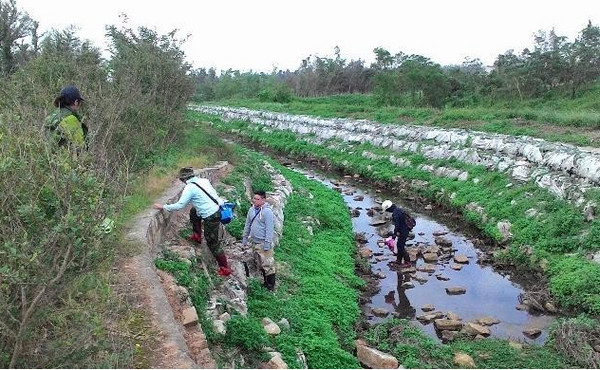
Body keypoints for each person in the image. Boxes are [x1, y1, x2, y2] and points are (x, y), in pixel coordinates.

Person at [153, 167, 232, 276]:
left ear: (183, 179)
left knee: (212, 242)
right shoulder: (204, 181)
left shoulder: (190, 188)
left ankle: (225, 268)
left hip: (211, 215)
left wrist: (163, 207)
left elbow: (180, 205)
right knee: (194, 211)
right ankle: (197, 236)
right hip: (216, 207)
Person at [242, 190, 276, 290]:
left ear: (263, 200)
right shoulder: (251, 210)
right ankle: (265, 283)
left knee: (268, 264)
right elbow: (247, 224)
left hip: (263, 242)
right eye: (254, 198)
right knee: (260, 263)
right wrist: (245, 238)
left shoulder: (267, 212)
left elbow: (269, 228)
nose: (254, 201)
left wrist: (267, 243)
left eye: (257, 199)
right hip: (255, 242)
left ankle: (270, 286)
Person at [45, 85, 88, 150]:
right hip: (64, 158)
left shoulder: (51, 116)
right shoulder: (70, 119)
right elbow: (80, 147)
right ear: (76, 102)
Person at [382, 199, 412, 268]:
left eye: (387, 210)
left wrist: (394, 235)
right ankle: (398, 260)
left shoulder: (395, 213)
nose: (387, 211)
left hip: (403, 231)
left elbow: (397, 225)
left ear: (389, 208)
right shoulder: (398, 209)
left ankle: (408, 262)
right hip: (404, 230)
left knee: (401, 246)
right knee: (399, 245)